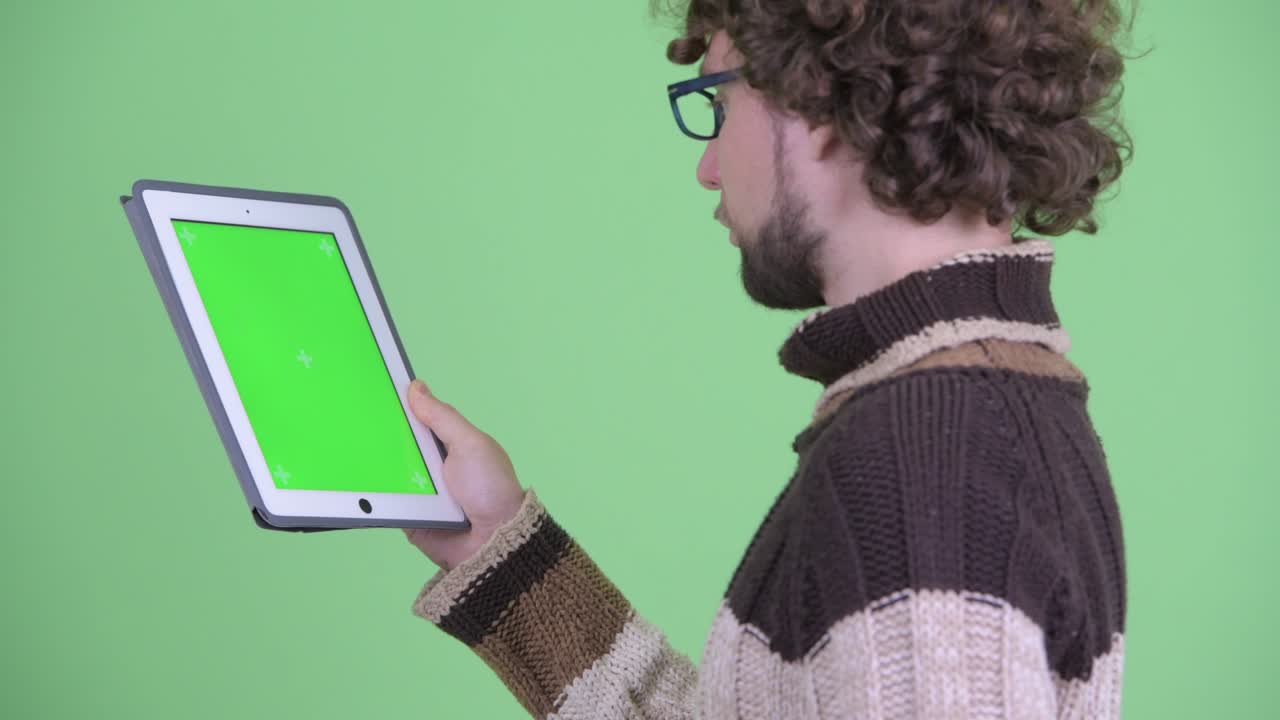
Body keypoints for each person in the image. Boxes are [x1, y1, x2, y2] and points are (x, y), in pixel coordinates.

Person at [400, 0, 1133, 717]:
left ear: (816, 95)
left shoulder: (923, 454)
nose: (710, 168)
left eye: (717, 102)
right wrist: (500, 545)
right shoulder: (994, 405)